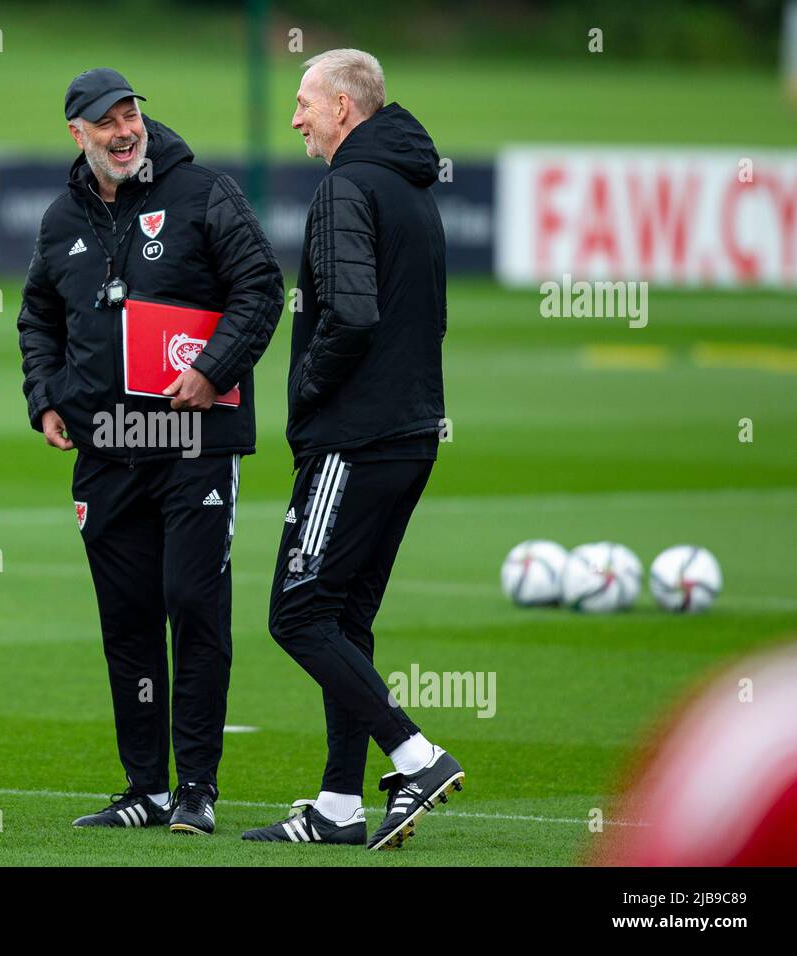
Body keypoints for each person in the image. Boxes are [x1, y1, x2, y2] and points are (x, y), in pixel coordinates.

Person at [17, 68, 283, 835]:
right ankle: (145, 790)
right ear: (78, 134)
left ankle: (196, 788)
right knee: (126, 621)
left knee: (194, 608)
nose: (125, 129)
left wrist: (212, 370)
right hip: (106, 451)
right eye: (107, 121)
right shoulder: (61, 216)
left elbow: (260, 288)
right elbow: (37, 316)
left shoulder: (205, 193)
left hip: (191, 441)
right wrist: (45, 399)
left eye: (132, 114)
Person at [243, 50, 464, 849]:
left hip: (354, 437)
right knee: (344, 619)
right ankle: (339, 805)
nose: (296, 117)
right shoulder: (410, 185)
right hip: (410, 434)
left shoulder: (346, 186)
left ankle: (416, 754)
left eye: (304, 103)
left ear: (343, 106)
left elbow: (353, 315)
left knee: (297, 615)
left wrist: (305, 389)